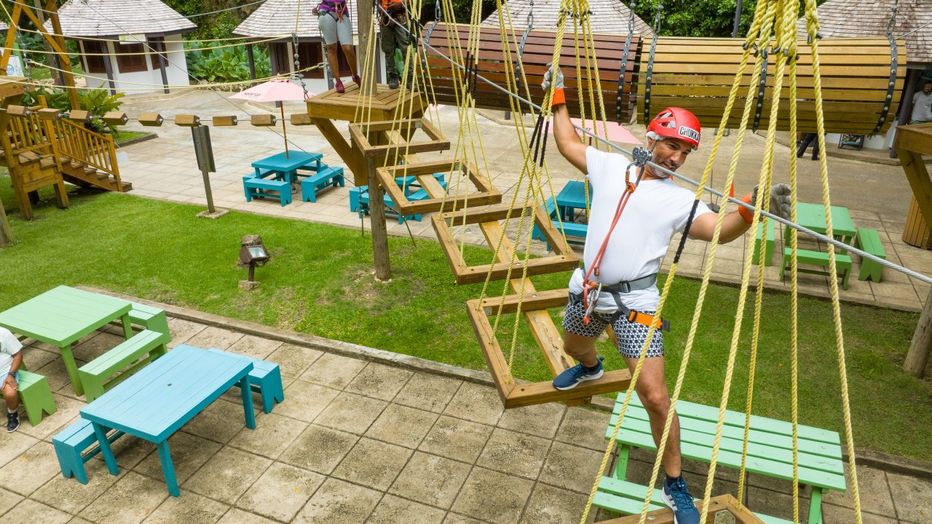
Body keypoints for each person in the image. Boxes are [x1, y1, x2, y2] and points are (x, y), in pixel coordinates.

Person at [543, 66, 790, 524]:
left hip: (635, 306)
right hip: (588, 291)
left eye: (686, 151)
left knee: (656, 398)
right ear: (653, 138)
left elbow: (719, 230)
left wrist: (752, 207)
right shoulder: (613, 165)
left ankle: (675, 485)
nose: (677, 158)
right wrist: (558, 97)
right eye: (672, 145)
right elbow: (568, 143)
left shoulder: (682, 201)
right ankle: (591, 367)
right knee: (573, 344)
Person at [314, 0, 361, 94]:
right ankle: (338, 81)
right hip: (326, 11)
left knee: (348, 48)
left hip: (342, 11)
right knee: (331, 48)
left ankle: (355, 75)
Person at [378, 0, 409, 89]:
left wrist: (402, 3)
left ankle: (410, 78)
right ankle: (393, 77)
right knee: (388, 49)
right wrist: (381, 11)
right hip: (386, 17)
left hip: (400, 17)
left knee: (405, 48)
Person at [0, 327, 23, 433]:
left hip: (5, 372)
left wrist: (11, 374)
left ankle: (12, 413)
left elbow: (18, 354)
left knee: (10, 394)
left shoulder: (3, 333)